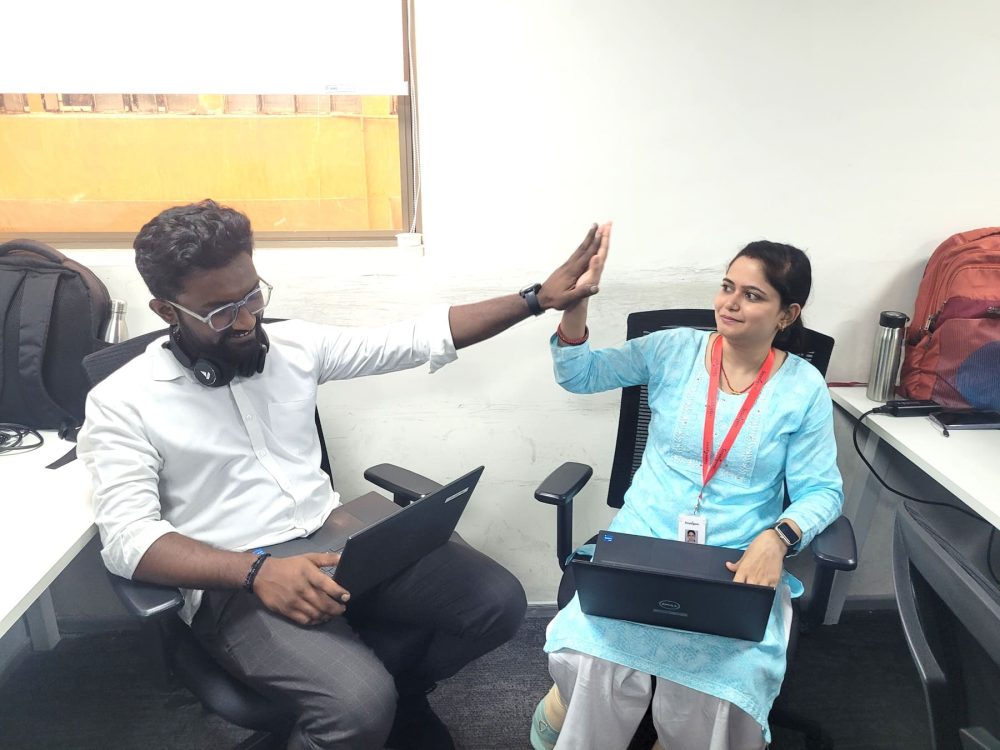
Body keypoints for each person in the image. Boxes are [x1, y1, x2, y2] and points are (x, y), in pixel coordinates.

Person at [77, 200, 610, 750]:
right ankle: (352, 722)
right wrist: (256, 570)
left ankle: (401, 695)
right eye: (219, 312)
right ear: (166, 311)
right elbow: (126, 542)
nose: (245, 321)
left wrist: (536, 301)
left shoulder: (292, 346)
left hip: (339, 537)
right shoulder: (122, 402)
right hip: (237, 579)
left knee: (497, 603)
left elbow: (412, 338)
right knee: (357, 707)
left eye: (251, 296)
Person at [530, 236, 844, 750]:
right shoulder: (672, 348)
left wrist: (779, 536)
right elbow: (579, 374)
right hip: (642, 542)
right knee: (591, 663)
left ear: (787, 314)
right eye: (726, 287)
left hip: (732, 561)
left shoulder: (802, 386)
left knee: (726, 692)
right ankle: (566, 708)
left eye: (752, 295)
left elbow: (823, 491)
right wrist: (577, 302)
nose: (730, 303)